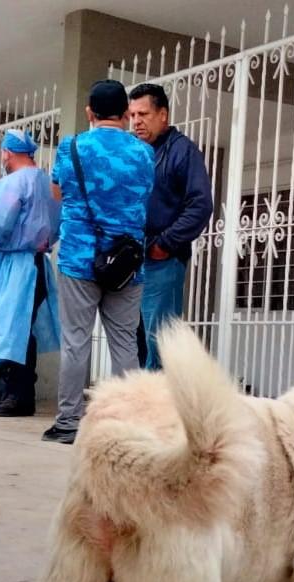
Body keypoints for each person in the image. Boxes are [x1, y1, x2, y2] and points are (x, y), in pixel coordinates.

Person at [42, 79, 155, 444]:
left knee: (76, 341)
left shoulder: (71, 147)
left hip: (79, 257)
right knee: (124, 342)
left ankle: (68, 423)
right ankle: (130, 424)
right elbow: (143, 196)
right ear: (125, 114)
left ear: (90, 112)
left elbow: (57, 193)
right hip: (126, 262)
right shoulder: (143, 153)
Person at [0, 130, 59, 418]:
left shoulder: (12, 183)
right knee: (25, 330)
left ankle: (17, 395)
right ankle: (21, 393)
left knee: (11, 330)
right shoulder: (49, 183)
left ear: (7, 153)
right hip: (38, 262)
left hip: (15, 265)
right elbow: (58, 223)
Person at [128, 83, 213, 370]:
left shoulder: (182, 151)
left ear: (163, 114)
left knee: (159, 340)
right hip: (132, 260)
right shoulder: (137, 153)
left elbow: (200, 205)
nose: (137, 121)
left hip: (160, 260)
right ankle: (139, 404)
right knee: (133, 338)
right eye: (132, 115)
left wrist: (165, 244)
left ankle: (159, 408)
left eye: (143, 114)